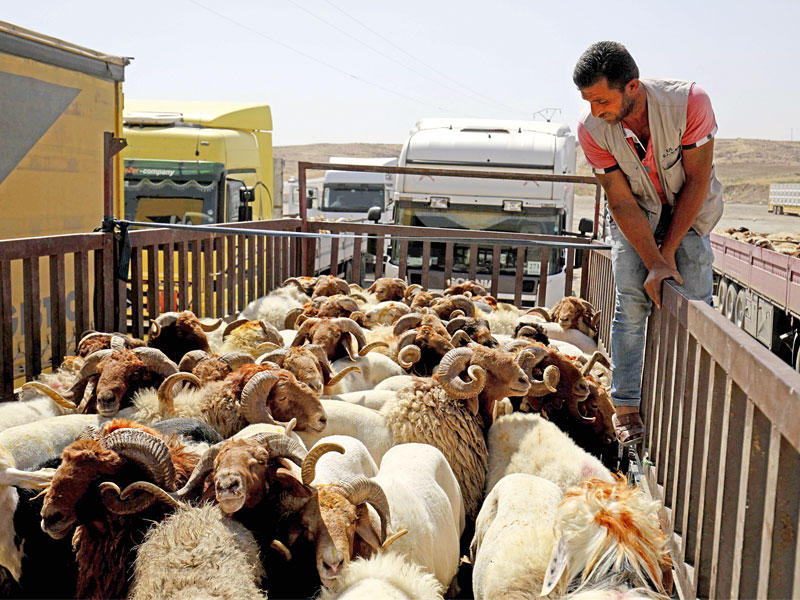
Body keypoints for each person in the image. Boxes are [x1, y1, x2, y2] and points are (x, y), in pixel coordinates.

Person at [572, 41, 723, 446]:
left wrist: (668, 254)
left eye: (602, 99)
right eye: (588, 101)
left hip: (688, 208)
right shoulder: (592, 132)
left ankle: (689, 405)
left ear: (633, 87)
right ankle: (626, 405)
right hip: (635, 214)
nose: (595, 110)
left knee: (694, 301)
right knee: (632, 299)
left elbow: (698, 180)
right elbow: (620, 200)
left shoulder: (690, 102)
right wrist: (652, 262)